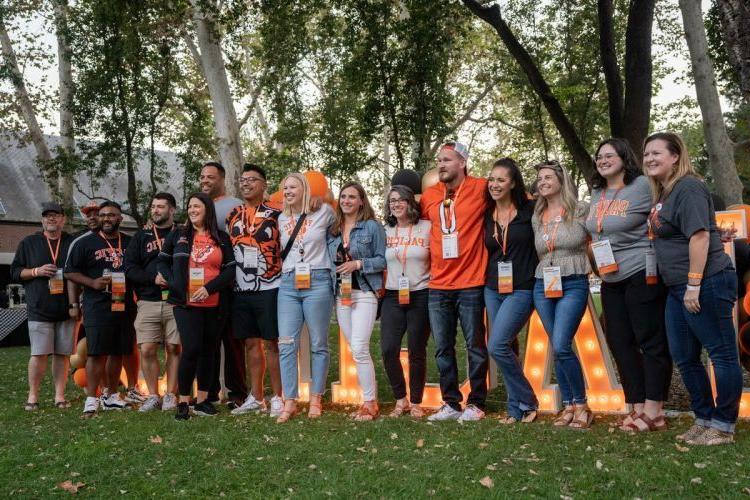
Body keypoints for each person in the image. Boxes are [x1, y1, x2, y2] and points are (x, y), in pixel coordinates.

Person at [644, 131, 741, 445]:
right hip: (677, 287)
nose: (650, 159)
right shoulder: (665, 193)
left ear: (675, 156)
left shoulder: (688, 187)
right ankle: (703, 417)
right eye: (646, 155)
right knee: (684, 357)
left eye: (657, 153)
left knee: (722, 354)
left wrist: (694, 285)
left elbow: (699, 237)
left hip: (706, 281)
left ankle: (723, 425)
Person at [585, 138, 672, 432]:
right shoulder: (597, 191)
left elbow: (667, 213)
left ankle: (654, 409)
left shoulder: (644, 186)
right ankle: (635, 404)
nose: (603, 159)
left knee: (649, 340)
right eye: (600, 156)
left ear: (624, 157)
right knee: (619, 341)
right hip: (610, 277)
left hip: (640, 271)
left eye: (610, 155)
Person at [420, 141, 490, 422]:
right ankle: (450, 402)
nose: (441, 165)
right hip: (438, 284)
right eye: (439, 160)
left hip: (471, 281)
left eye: (447, 160)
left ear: (462, 162)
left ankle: (476, 402)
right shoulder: (430, 195)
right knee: (442, 347)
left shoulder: (481, 187)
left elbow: (514, 193)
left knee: (475, 344)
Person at [157, 192, 236, 420]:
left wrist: (210, 288)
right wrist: (171, 281)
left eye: (197, 207)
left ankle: (202, 401)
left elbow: (230, 269)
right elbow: (162, 260)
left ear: (207, 209)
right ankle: (183, 402)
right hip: (185, 303)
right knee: (191, 349)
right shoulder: (179, 234)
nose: (192, 210)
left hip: (214, 303)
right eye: (190, 206)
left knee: (209, 351)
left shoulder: (220, 237)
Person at [531, 161, 593, 429]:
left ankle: (582, 405)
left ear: (561, 180)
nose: (542, 182)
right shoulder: (538, 215)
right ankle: (568, 405)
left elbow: (595, 240)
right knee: (557, 347)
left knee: (562, 343)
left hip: (574, 280)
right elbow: (540, 250)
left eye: (547, 177)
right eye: (539, 179)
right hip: (543, 283)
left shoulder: (581, 210)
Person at [483, 159, 540, 424]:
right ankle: (514, 409)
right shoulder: (486, 213)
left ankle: (527, 400)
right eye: (492, 179)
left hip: (522, 287)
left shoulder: (530, 209)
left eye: (501, 180)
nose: (494, 184)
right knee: (507, 346)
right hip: (492, 287)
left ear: (513, 183)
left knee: (497, 345)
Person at [65, 201, 134, 416]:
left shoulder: (131, 242)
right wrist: (92, 283)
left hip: (124, 303)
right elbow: (69, 272)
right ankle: (92, 399)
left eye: (111, 215)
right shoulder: (84, 243)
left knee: (118, 352)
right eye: (103, 215)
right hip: (97, 304)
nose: (106, 219)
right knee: (96, 352)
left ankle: (111, 395)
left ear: (120, 218)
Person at [276, 173, 335, 423]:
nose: (288, 191)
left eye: (293, 187)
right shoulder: (281, 218)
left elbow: (345, 218)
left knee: (318, 343)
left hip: (318, 280)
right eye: (285, 187)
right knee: (286, 343)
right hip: (289, 282)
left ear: (305, 189)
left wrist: (321, 200)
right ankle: (290, 400)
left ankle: (316, 398)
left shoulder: (324, 212)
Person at [226, 164, 284, 418]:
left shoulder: (278, 212)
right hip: (241, 288)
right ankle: (257, 397)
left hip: (270, 286)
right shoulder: (233, 215)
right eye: (243, 180)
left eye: (252, 179)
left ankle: (279, 397)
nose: (246, 183)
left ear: (264, 184)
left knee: (272, 342)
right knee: (250, 343)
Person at [328, 182, 386, 421]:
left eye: (352, 197)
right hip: (342, 294)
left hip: (364, 291)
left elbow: (383, 259)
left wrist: (359, 264)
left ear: (362, 201)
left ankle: (370, 402)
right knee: (355, 348)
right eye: (343, 196)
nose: (347, 200)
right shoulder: (332, 229)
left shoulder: (372, 227)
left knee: (360, 347)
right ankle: (368, 399)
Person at [11, 202, 76, 410]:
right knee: (39, 354)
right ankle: (33, 396)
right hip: (39, 308)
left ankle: (59, 395)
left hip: (66, 308)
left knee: (62, 354)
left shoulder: (72, 242)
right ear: (42, 220)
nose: (51, 219)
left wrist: (75, 303)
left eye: (56, 215)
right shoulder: (29, 243)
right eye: (47, 216)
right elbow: (15, 272)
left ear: (63, 219)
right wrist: (37, 271)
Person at [124, 193, 181, 412]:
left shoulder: (183, 233)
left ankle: (170, 395)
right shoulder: (141, 236)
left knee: (174, 347)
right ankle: (153, 395)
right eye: (154, 207)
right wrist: (152, 278)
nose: (156, 210)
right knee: (146, 349)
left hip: (175, 300)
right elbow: (129, 268)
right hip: (147, 300)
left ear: (172, 210)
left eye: (161, 207)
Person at [381, 185, 431, 418]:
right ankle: (401, 399)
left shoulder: (426, 228)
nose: (396, 204)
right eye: (392, 201)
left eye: (401, 200)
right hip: (392, 294)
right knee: (388, 349)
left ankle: (417, 402)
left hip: (420, 293)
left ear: (411, 202)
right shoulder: (385, 231)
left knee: (416, 351)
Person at [200, 161, 247, 407]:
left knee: (232, 341)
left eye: (210, 177)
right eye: (202, 177)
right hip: (203, 287)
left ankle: (237, 394)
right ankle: (209, 392)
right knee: (208, 341)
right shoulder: (197, 205)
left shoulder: (234, 206)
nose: (205, 181)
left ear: (222, 179)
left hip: (230, 284)